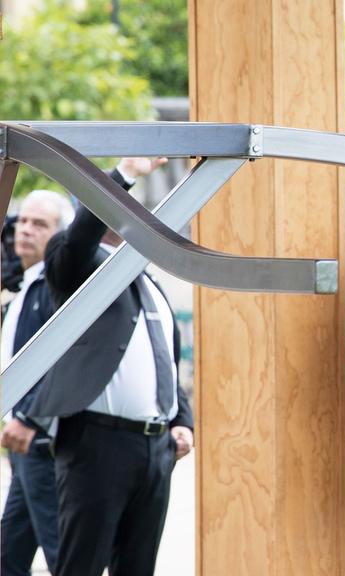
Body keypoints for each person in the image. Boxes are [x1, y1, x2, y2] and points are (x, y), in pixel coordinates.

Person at [25, 157, 194, 576]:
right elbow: (79, 238)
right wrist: (126, 175)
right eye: (120, 205)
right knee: (82, 564)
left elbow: (165, 360)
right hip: (98, 442)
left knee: (137, 567)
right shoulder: (79, 266)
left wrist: (183, 420)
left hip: (154, 449)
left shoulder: (150, 281)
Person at [1, 189, 75, 575]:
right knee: (8, 554)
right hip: (23, 447)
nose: (25, 230)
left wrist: (29, 417)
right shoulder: (25, 285)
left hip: (43, 442)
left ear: (62, 235)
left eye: (39, 224)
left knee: (60, 551)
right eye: (22, 221)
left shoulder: (53, 289)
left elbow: (58, 363)